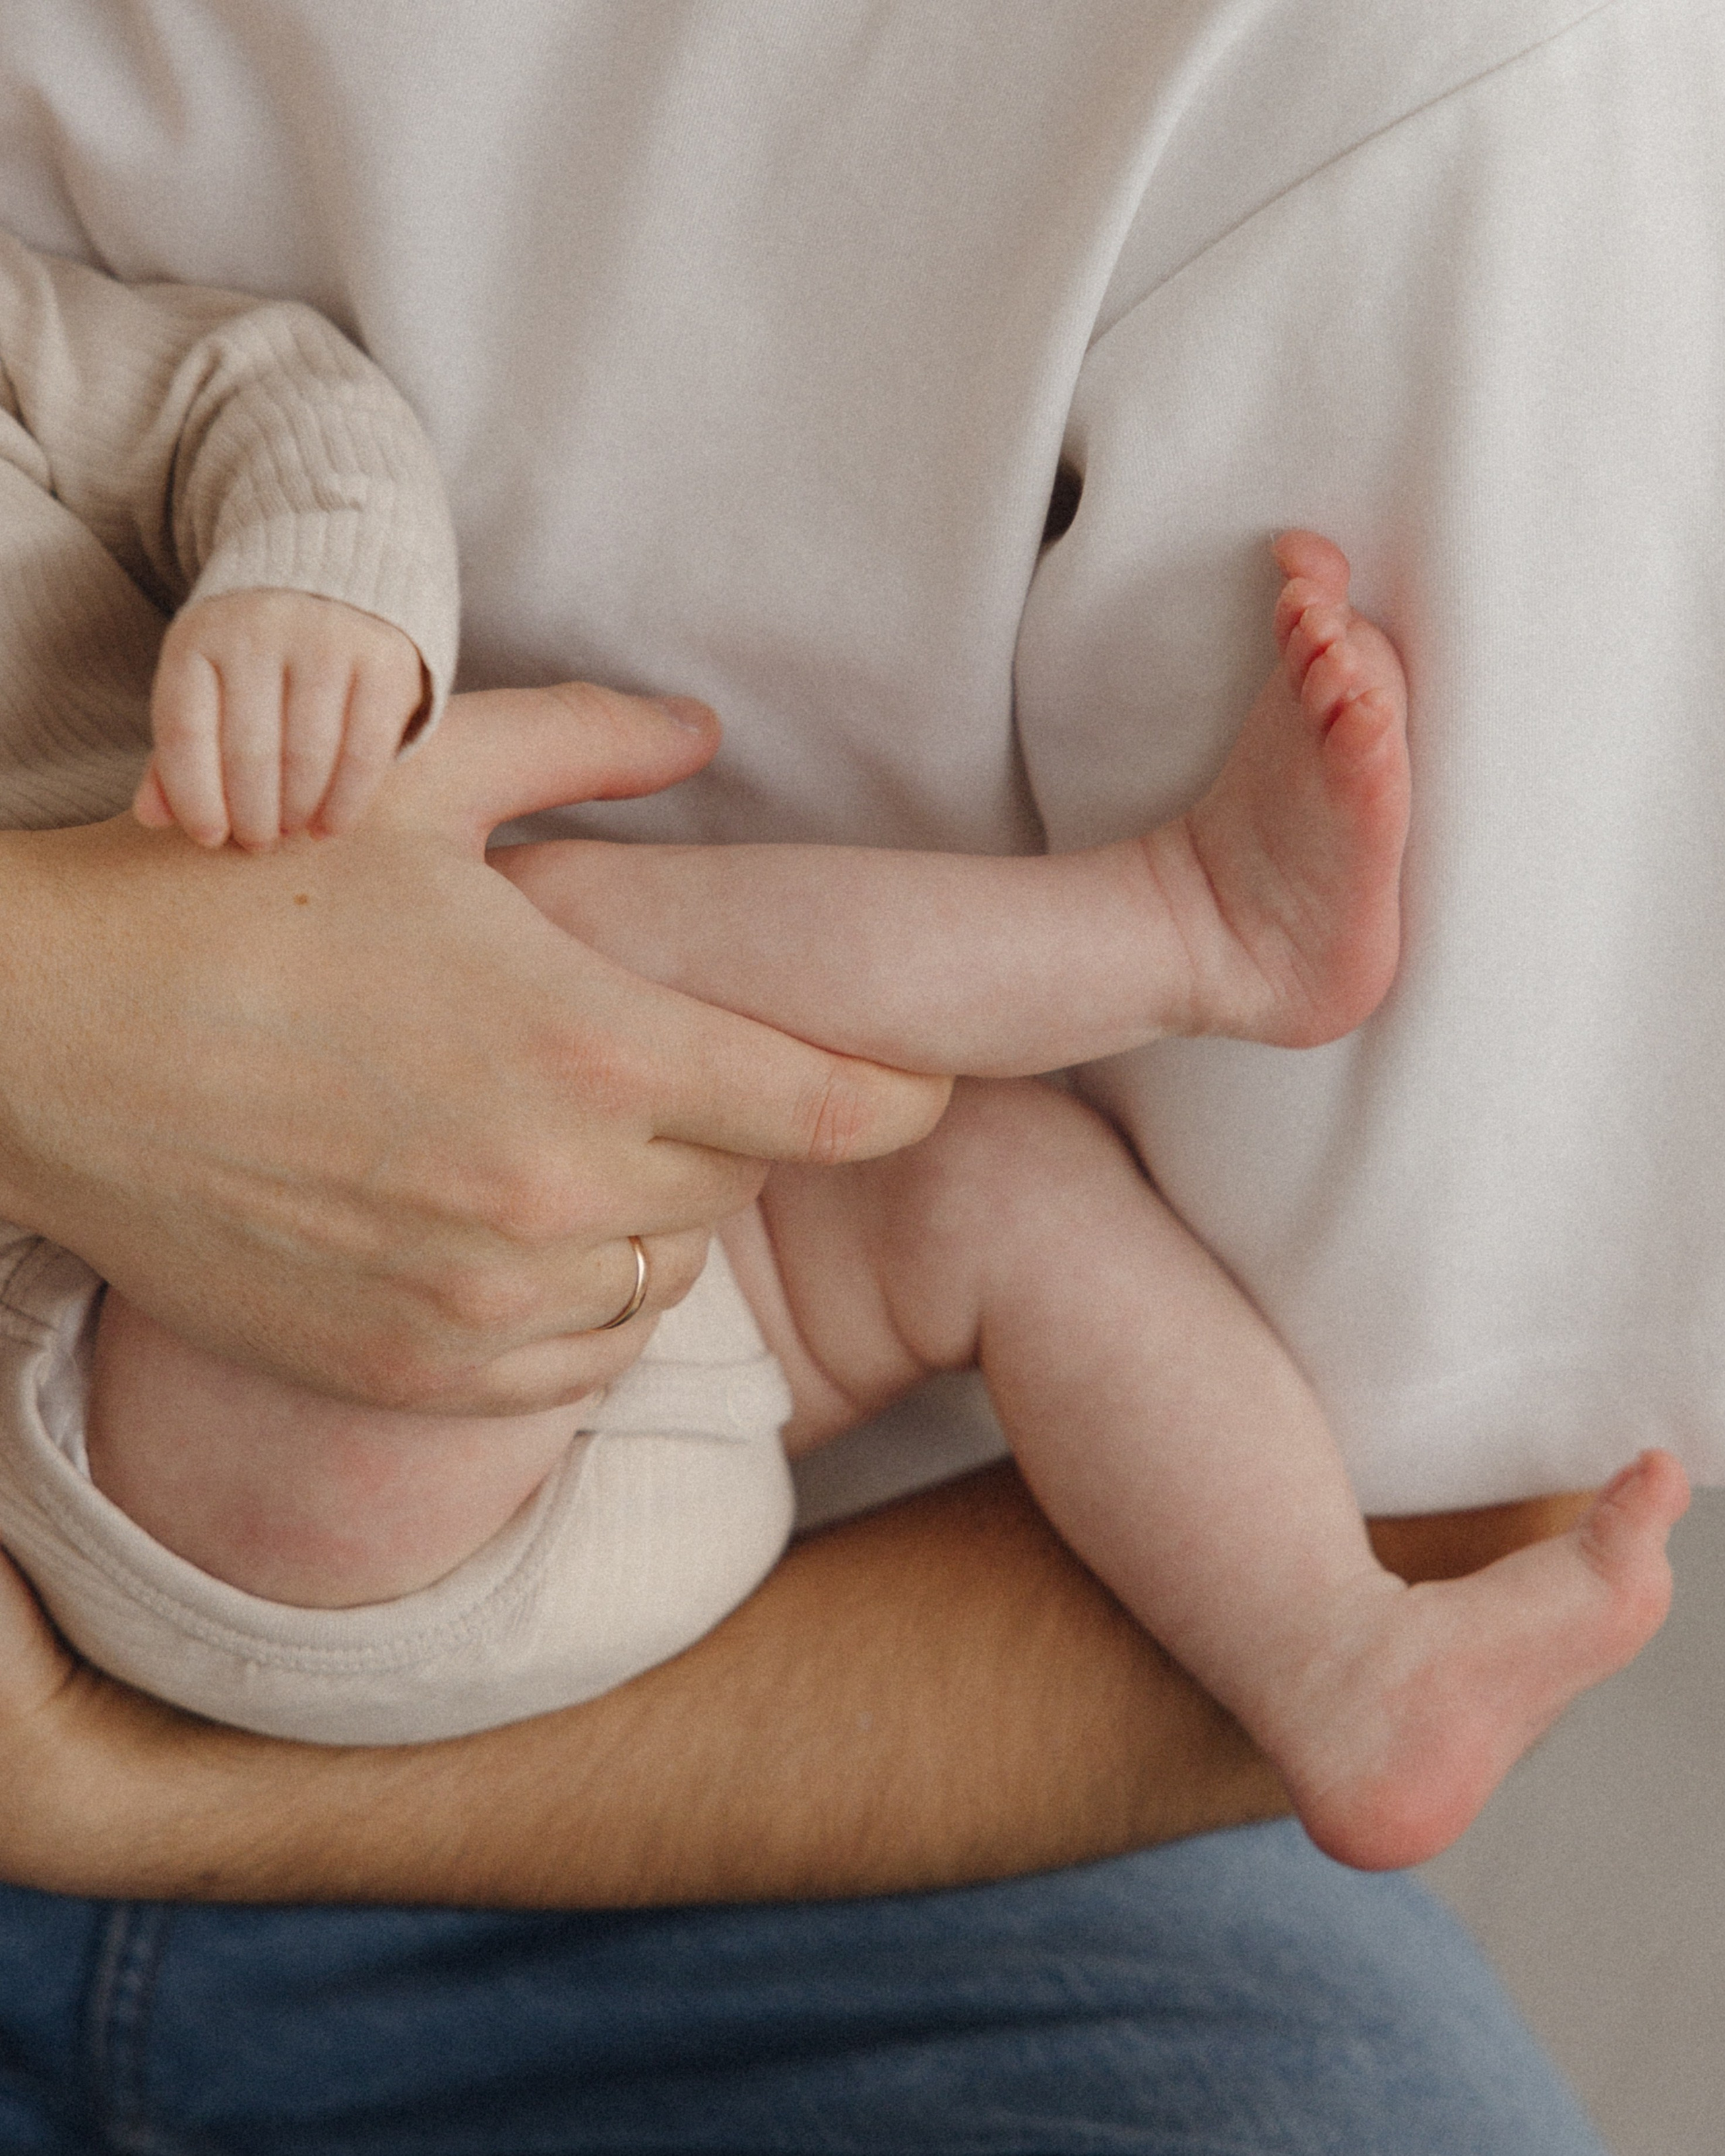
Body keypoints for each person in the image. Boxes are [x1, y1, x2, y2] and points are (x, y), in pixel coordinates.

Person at [0, 1, 1712, 2148]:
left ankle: (1328, 1650)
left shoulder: (1497, 118)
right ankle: (1189, 927)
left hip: (687, 1513)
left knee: (939, 1171)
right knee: (570, 978)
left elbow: (262, 398)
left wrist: (318, 597)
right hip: (145, 1457)